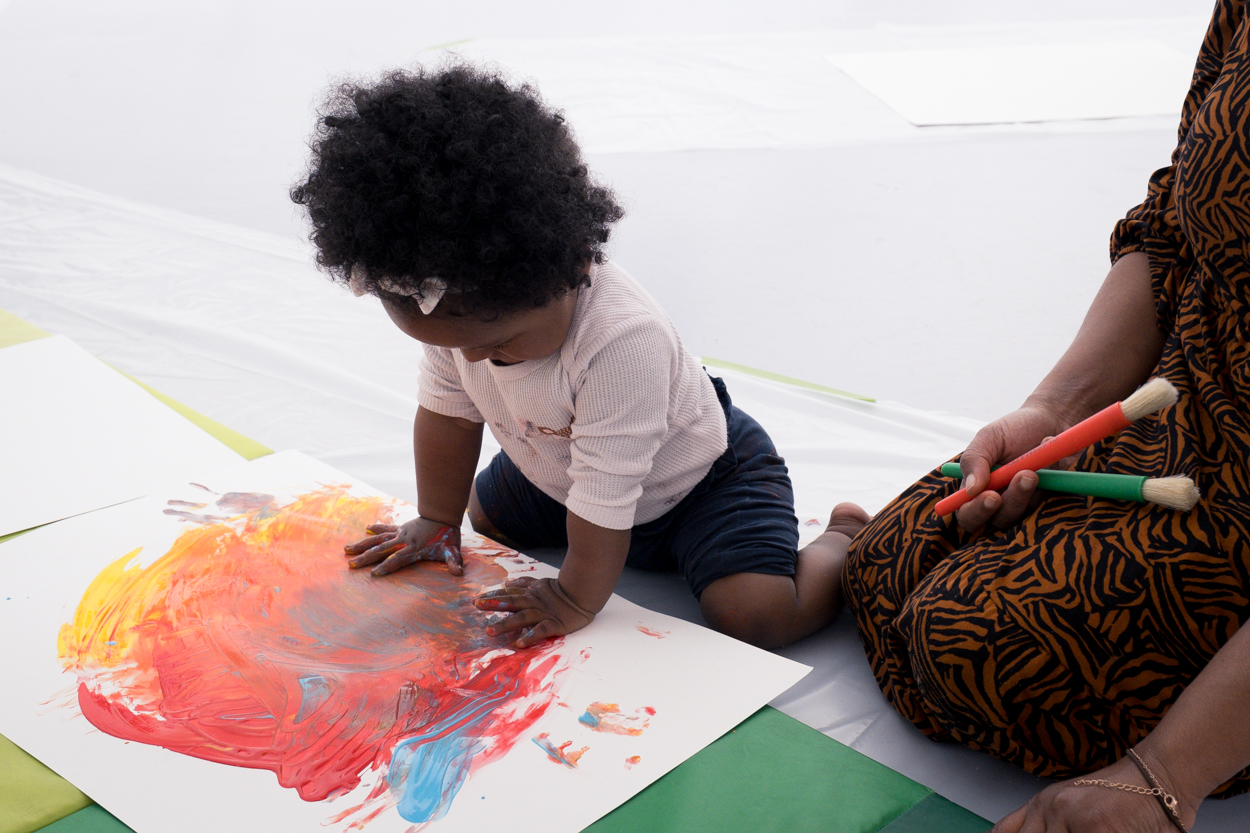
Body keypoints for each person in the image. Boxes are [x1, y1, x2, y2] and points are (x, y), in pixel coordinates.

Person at [290, 64, 868, 651]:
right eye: (452, 346)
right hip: (562, 466)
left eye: (496, 346)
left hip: (697, 482)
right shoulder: (463, 321)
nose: (473, 359)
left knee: (758, 617)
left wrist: (573, 597)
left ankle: (843, 538)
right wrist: (438, 521)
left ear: (571, 269)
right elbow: (447, 416)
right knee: (483, 516)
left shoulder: (622, 343)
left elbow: (606, 492)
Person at [842, 2, 1250, 830]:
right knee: (893, 558)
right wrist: (1056, 409)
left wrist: (1165, 773)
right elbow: (1172, 222)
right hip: (1184, 410)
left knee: (965, 646)